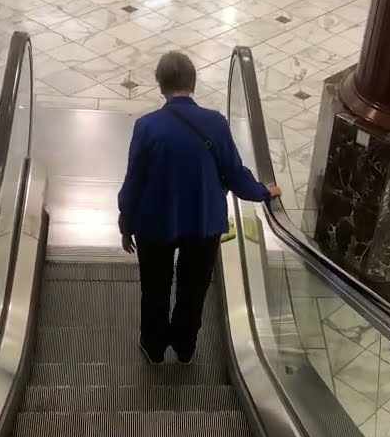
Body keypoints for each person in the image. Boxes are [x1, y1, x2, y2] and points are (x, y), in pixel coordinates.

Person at [118, 52, 280, 365]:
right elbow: (234, 173)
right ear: (193, 83)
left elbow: (134, 180)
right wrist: (263, 192)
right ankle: (184, 347)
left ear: (160, 86)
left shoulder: (147, 126)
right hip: (204, 222)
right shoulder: (216, 124)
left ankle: (153, 348)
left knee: (155, 289)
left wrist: (127, 222)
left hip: (155, 224)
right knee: (193, 290)